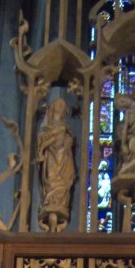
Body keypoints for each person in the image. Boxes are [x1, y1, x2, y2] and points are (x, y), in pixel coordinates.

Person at [35, 97, 76, 230]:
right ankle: (49, 202)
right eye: (57, 104)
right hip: (51, 157)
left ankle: (59, 204)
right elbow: (42, 139)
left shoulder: (66, 127)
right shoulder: (46, 126)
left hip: (64, 157)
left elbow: (69, 141)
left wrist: (67, 142)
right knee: (51, 180)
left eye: (62, 105)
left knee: (63, 182)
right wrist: (43, 148)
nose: (60, 106)